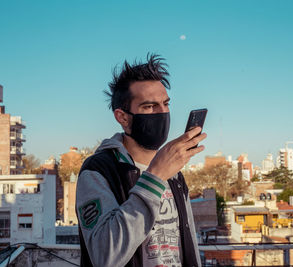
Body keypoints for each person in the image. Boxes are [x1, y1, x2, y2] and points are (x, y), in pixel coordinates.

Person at [76, 54, 207, 267]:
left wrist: (164, 170)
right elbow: (105, 255)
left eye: (165, 104)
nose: (162, 112)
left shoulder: (174, 173)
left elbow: (188, 240)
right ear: (123, 117)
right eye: (149, 107)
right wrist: (155, 175)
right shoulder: (98, 171)